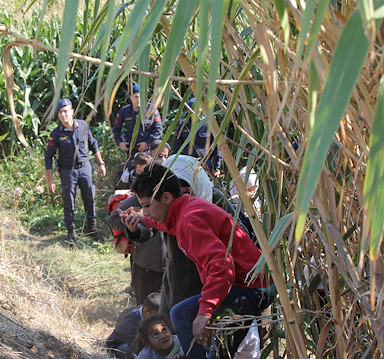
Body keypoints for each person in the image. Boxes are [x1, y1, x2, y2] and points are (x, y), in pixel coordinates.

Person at [120, 163, 273, 359]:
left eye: (147, 205)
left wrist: (205, 310)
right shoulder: (184, 209)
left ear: (167, 197)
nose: (146, 211)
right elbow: (170, 225)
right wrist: (143, 220)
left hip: (252, 289)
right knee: (214, 349)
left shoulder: (189, 220)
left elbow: (222, 265)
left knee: (181, 313)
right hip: (249, 285)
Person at [45, 98, 107, 244]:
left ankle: (92, 230)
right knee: (69, 202)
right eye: (60, 112)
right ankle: (71, 233)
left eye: (66, 111)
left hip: (85, 168)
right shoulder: (56, 134)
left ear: (72, 111)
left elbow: (93, 144)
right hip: (68, 172)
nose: (63, 114)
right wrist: (50, 179)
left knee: (89, 199)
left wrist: (101, 163)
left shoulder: (83, 125)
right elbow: (49, 156)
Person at [171, 98, 222, 178]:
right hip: (186, 164)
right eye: (190, 110)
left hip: (204, 165)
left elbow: (217, 147)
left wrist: (216, 167)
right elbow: (177, 145)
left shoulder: (209, 125)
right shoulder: (183, 125)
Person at [106, 292, 162, 359]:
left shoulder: (147, 312)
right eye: (154, 316)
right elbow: (138, 347)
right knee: (127, 350)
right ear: (145, 311)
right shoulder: (131, 324)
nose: (156, 319)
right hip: (117, 347)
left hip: (137, 343)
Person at [113, 84, 163, 153]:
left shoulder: (151, 109)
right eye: (136, 97)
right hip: (131, 150)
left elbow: (158, 129)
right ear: (131, 97)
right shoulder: (124, 111)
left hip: (149, 149)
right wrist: (120, 142)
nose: (139, 100)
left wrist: (147, 143)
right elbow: (116, 129)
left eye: (141, 97)